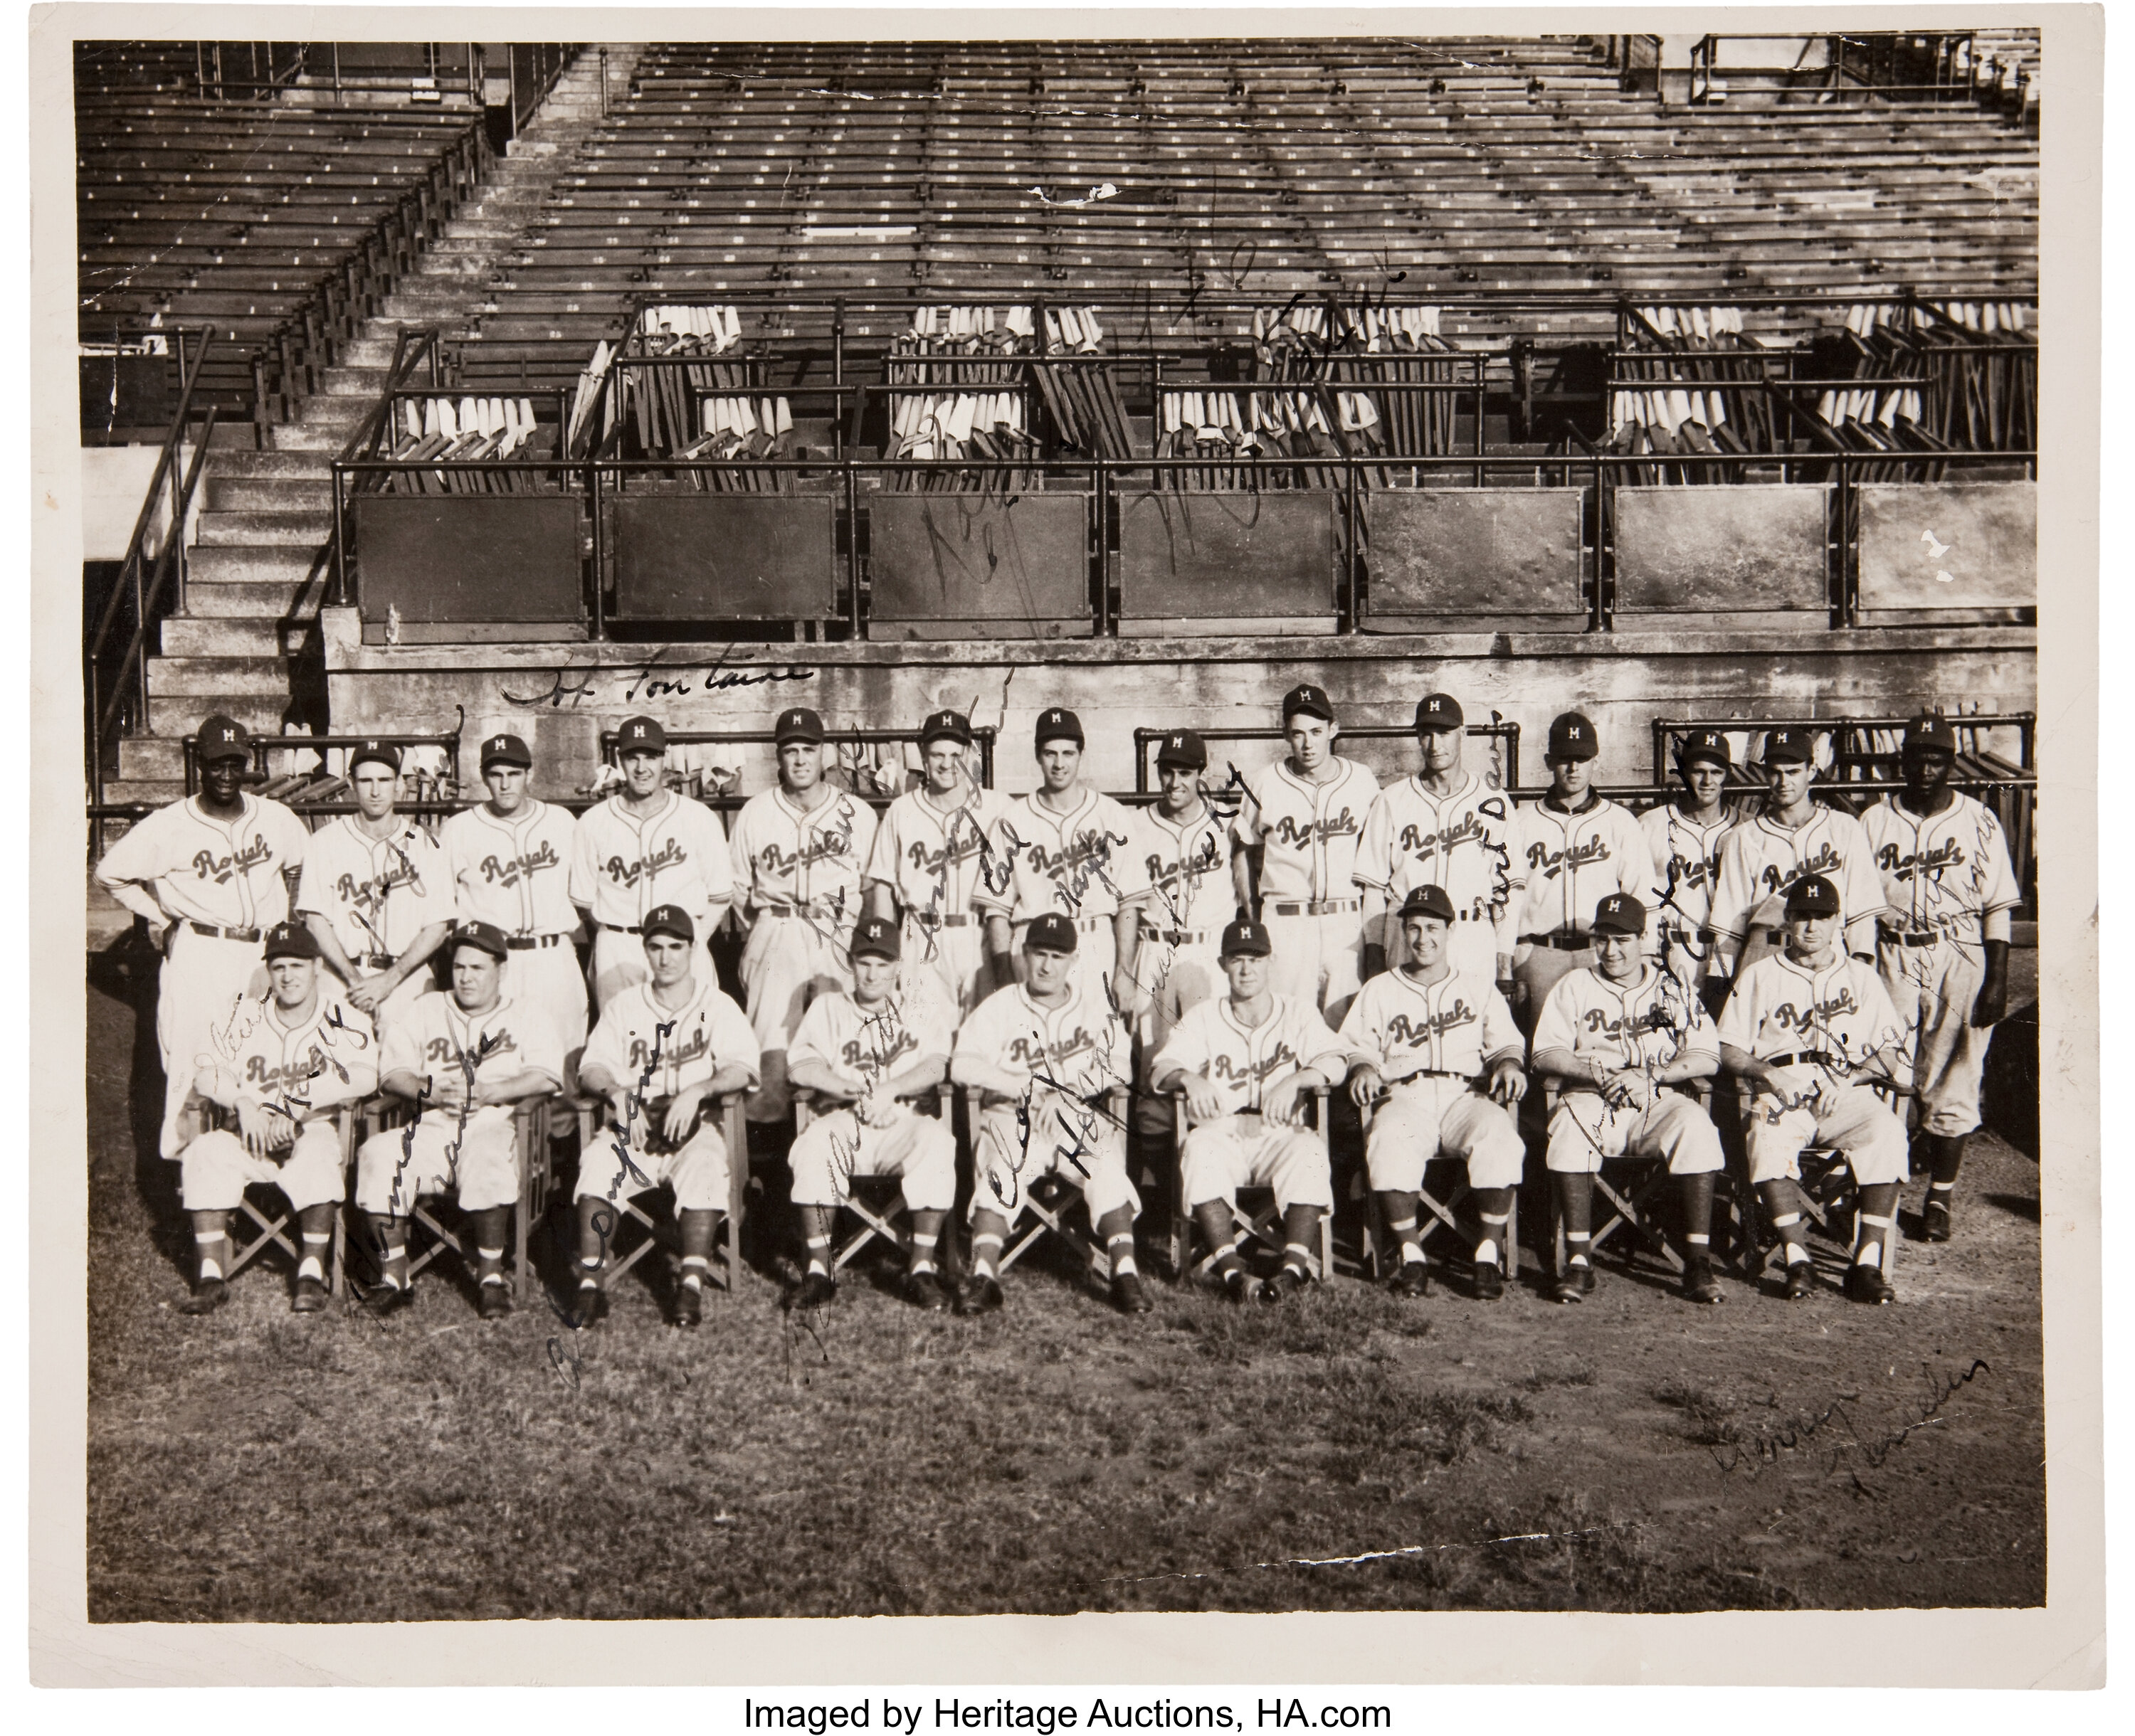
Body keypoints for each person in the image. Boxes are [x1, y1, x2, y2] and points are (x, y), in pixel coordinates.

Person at [94, 713, 310, 1160]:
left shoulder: (277, 816)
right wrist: (161, 919)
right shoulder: (170, 823)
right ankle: (191, 1190)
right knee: (192, 1068)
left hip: (262, 956)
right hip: (200, 953)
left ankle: (258, 1174)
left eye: (235, 764)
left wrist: (289, 923)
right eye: (216, 764)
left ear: (247, 764)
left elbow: (301, 867)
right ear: (200, 764)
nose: (226, 775)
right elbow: (111, 874)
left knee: (257, 1063)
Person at [1859, 714, 2020, 1242]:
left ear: (1950, 763)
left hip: (1961, 954)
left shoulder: (1979, 821)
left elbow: (1998, 905)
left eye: (1936, 757)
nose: (1925, 767)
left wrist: (1998, 978)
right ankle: (1877, 1190)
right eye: (1917, 756)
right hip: (1892, 951)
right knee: (1887, 1073)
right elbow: (1859, 907)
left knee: (1956, 1078)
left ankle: (1940, 1198)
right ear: (1901, 760)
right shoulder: (1874, 820)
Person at [352, 921, 565, 1319]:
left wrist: (492, 1092)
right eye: (460, 968)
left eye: (477, 969)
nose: (466, 978)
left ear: (501, 971)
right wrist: (427, 1090)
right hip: (435, 1122)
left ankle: (489, 1278)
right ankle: (395, 1276)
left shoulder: (527, 1013)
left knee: (487, 1159)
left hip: (498, 1121)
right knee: (379, 1152)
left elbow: (548, 1074)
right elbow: (391, 1071)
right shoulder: (428, 1008)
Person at [1718, 875, 1915, 1304]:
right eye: (1802, 917)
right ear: (1787, 921)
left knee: (1886, 1133)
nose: (1811, 927)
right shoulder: (1760, 974)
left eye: (1822, 917)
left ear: (1837, 922)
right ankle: (1796, 1258)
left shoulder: (1862, 977)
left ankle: (1866, 1262)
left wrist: (1851, 1079)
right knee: (1767, 1135)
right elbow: (1728, 1047)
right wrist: (1768, 1074)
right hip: (1784, 1087)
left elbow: (1891, 1052)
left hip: (1846, 1088)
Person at [1528, 893, 1727, 1306]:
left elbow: (1706, 1054)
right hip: (1590, 1096)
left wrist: (1654, 1075)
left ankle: (1697, 1261)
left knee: (1698, 1127)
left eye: (1622, 940)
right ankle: (1580, 1262)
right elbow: (1546, 1052)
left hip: (1656, 1097)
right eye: (1602, 939)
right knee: (1569, 1127)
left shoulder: (1672, 987)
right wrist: (1597, 1072)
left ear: (1643, 939)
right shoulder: (1575, 984)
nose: (1611, 950)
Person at [172, 921, 377, 1315]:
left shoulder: (342, 1015)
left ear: (318, 966)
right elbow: (206, 1070)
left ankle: (311, 1275)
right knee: (205, 1151)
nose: (287, 976)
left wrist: (304, 1100)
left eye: (297, 966)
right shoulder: (245, 1013)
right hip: (248, 1132)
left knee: (318, 1157)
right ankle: (211, 1277)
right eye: (279, 966)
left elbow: (367, 1074)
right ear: (269, 970)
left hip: (312, 1128)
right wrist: (242, 1102)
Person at [571, 905, 759, 1328]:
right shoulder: (623, 1006)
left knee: (707, 1166)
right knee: (599, 1163)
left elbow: (744, 1067)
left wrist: (700, 1089)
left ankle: (689, 1285)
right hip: (635, 1126)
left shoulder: (717, 1003)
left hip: (696, 1126)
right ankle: (590, 1285)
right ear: (645, 951)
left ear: (692, 949)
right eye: (655, 947)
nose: (665, 957)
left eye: (676, 946)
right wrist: (617, 1093)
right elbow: (592, 1066)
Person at [951, 912, 1146, 1316]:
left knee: (1104, 1162)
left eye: (1057, 956)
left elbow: (1121, 1066)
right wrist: (1022, 1086)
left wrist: (1068, 1091)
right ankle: (984, 1275)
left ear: (1074, 959)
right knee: (1002, 1168)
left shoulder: (1093, 1008)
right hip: (1011, 1115)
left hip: (1073, 1113)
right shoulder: (999, 1006)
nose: (1046, 965)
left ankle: (1125, 1273)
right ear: (1023, 955)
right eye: (1039, 953)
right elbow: (962, 1065)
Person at [1339, 885, 1529, 1300]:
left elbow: (1506, 1044)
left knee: (1500, 1138)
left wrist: (1510, 1065)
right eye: (1413, 928)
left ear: (1450, 931)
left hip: (1467, 1095)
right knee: (1388, 1140)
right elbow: (1355, 1046)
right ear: (1402, 933)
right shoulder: (1380, 989)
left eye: (1432, 928)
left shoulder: (1478, 986)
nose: (1423, 939)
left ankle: (1485, 1254)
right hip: (1406, 1095)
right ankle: (1412, 1255)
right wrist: (1364, 1067)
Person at [1151, 919, 1351, 1304]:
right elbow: (1161, 1067)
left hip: (1278, 1131)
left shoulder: (1297, 1012)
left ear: (1270, 962)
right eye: (1238, 959)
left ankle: (1292, 1270)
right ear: (1222, 963)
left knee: (1309, 1150)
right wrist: (1189, 1079)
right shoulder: (1205, 1016)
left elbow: (1337, 1061)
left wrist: (1296, 1080)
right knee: (1199, 1151)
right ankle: (1233, 1273)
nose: (1247, 969)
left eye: (1255, 959)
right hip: (1220, 1129)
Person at [785, 917, 959, 1312]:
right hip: (844, 1116)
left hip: (903, 1118)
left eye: (883, 964)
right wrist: (852, 1090)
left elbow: (937, 1065)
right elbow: (799, 1067)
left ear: (898, 966)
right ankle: (818, 1272)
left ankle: (921, 1268)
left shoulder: (918, 1008)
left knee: (937, 1141)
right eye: (865, 962)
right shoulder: (829, 1007)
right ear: (850, 962)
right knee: (814, 1143)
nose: (873, 973)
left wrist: (889, 1090)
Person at [727, 706, 880, 1123]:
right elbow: (738, 889)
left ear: (823, 755)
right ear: (779, 757)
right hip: (778, 926)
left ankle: (841, 1146)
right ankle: (767, 1159)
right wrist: (765, 931)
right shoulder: (756, 813)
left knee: (840, 1043)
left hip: (837, 932)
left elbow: (870, 888)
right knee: (771, 1048)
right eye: (790, 750)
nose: (799, 759)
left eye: (807, 750)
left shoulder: (857, 813)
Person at [976, 707, 1147, 1015]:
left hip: (1095, 943)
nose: (1059, 763)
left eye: (1068, 753)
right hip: (1034, 948)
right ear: (1038, 756)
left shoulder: (1110, 814)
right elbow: (997, 910)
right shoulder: (1013, 819)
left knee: (1098, 1049)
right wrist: (1003, 976)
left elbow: (1129, 904)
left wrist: (1125, 971)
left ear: (1081, 755)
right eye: (1050, 753)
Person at [1230, 683, 1379, 1026]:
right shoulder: (1265, 781)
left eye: (1316, 732)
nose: (1308, 743)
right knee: (1287, 1027)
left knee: (1347, 1027)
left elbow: (1375, 853)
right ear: (1286, 734)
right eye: (1298, 734)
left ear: (1333, 729)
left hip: (1346, 920)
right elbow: (1243, 848)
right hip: (1286, 920)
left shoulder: (1362, 780)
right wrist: (1253, 912)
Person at [1355, 692, 1521, 987]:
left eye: (1443, 733)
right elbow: (1374, 888)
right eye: (1426, 734)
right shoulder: (1393, 799)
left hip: (1471, 935)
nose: (1434, 745)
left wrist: (1503, 960)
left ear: (1463, 733)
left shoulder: (1493, 801)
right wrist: (1374, 956)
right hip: (1408, 938)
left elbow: (1507, 890)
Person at [569, 714, 732, 1011]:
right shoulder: (594, 822)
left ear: (664, 759)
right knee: (622, 1046)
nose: (642, 768)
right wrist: (609, 937)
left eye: (651, 757)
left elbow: (721, 895)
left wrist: (693, 938)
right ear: (621, 760)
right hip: (619, 949)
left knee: (691, 1044)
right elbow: (583, 901)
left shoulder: (698, 818)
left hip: (682, 943)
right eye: (633, 758)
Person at [296, 739, 456, 1036]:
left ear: (398, 783)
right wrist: (355, 980)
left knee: (408, 1075)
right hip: (341, 978)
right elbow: (315, 921)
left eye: (384, 780)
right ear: (350, 783)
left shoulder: (426, 844)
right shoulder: (324, 842)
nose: (375, 790)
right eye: (366, 780)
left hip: (407, 977)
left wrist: (390, 980)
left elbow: (438, 925)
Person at [441, 731, 589, 1051]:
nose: (505, 784)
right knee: (497, 1060)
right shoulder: (459, 828)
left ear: (529, 774)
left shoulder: (561, 822)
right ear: (483, 777)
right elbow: (442, 905)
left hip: (553, 957)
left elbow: (586, 891)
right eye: (496, 775)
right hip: (495, 960)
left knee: (564, 1059)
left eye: (514, 774)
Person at [1128, 729, 1239, 1138]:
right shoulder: (1136, 825)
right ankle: (1158, 1184)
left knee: (1210, 1057)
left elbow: (1247, 891)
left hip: (1208, 950)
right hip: (1154, 950)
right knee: (1153, 1062)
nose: (1175, 783)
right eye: (1168, 772)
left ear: (1200, 774)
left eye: (1185, 773)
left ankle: (1207, 1158)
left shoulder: (1226, 823)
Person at [1508, 711, 1654, 1024]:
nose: (1574, 768)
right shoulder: (1521, 822)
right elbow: (1506, 899)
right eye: (1565, 759)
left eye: (1582, 758)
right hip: (1539, 953)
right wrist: (1506, 959)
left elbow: (1642, 896)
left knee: (1601, 1043)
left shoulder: (1620, 822)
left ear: (1596, 762)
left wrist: (1648, 956)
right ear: (1549, 762)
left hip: (1600, 952)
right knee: (1539, 1049)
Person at [1707, 726, 1885, 981]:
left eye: (1793, 772)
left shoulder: (1845, 827)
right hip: (1765, 949)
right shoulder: (1744, 836)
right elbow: (1729, 923)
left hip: (1829, 951)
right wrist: (1720, 980)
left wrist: (1860, 967)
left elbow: (1862, 914)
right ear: (1765, 775)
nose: (1784, 782)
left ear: (1811, 771)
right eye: (1775, 773)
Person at [863, 707, 1008, 1020]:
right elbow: (883, 889)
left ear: (969, 753)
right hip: (920, 938)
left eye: (955, 754)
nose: (946, 764)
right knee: (921, 1039)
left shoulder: (998, 808)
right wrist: (888, 954)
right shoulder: (901, 811)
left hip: (978, 937)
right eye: (937, 754)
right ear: (923, 757)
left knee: (982, 1039)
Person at [1640, 728, 1743, 1018]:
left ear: (1727, 775)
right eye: (1698, 771)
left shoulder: (1746, 829)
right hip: (1674, 950)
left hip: (1729, 952)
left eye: (1716, 771)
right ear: (1684, 773)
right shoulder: (1651, 825)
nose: (1707, 781)